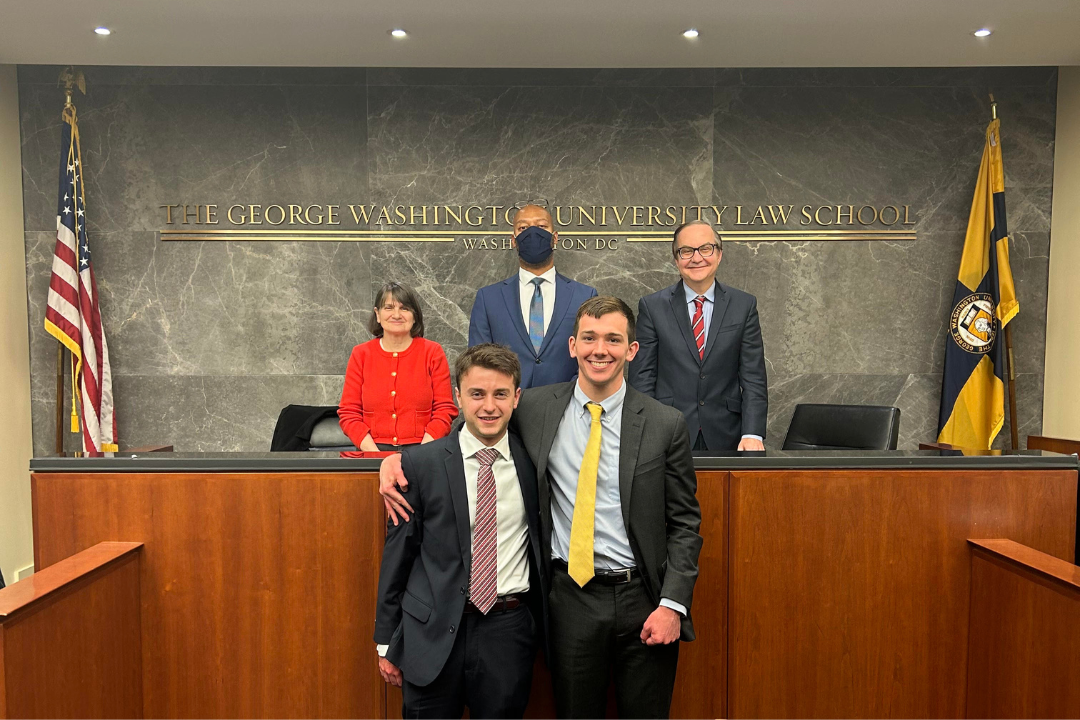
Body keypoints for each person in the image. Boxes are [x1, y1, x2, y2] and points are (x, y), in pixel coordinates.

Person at [383, 297, 702, 719]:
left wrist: (672, 604)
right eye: (588, 338)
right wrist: (397, 461)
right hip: (570, 598)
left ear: (632, 349)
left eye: (613, 339)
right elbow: (479, 418)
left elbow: (684, 523)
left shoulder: (666, 423)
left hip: (643, 598)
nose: (599, 350)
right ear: (572, 346)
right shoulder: (535, 407)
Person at [373, 344, 547, 719]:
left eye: (500, 394)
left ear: (516, 398)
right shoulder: (419, 465)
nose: (489, 406)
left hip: (507, 630)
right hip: (430, 634)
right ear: (458, 397)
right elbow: (398, 556)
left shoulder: (535, 464)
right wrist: (386, 640)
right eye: (477, 394)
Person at [629, 220, 768, 451]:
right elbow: (642, 378)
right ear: (676, 259)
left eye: (705, 249)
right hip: (667, 433)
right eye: (686, 251)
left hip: (728, 434)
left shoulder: (743, 305)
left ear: (719, 254)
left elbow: (753, 377)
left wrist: (753, 433)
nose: (696, 258)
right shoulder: (652, 307)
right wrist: (648, 433)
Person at [469, 204, 598, 389]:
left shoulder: (584, 295)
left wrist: (568, 399)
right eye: (523, 228)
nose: (532, 233)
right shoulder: (488, 298)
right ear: (513, 240)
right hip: (509, 410)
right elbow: (478, 362)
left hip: (568, 406)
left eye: (541, 227)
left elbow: (591, 355)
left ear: (555, 238)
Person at [338, 282, 458, 451]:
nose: (396, 315)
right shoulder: (361, 354)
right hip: (372, 451)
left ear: (415, 316)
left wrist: (421, 455)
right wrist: (375, 456)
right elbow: (349, 413)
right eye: (389, 308)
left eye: (404, 308)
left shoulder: (432, 352)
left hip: (423, 451)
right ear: (377, 315)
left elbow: (444, 410)